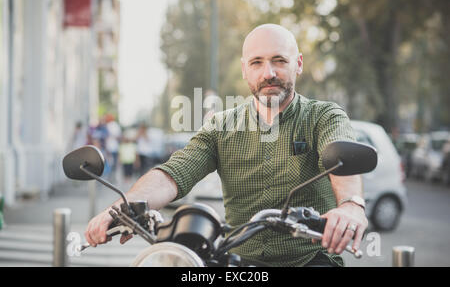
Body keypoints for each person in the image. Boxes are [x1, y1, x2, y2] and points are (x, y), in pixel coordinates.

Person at [84, 24, 368, 266]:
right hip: (236, 261)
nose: (268, 72)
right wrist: (122, 208)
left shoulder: (324, 116)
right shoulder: (221, 126)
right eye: (256, 62)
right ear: (245, 70)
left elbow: (339, 153)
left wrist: (350, 205)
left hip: (309, 258)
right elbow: (176, 171)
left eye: (279, 60)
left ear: (299, 64)